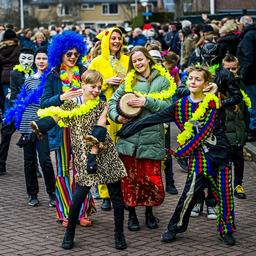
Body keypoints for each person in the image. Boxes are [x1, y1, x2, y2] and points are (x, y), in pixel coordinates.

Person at [117, 64, 236, 246]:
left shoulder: (213, 102)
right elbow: (153, 118)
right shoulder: (180, 105)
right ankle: (175, 227)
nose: (193, 81)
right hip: (199, 159)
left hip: (220, 156)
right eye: (190, 78)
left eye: (198, 79)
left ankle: (226, 229)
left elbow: (205, 131)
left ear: (206, 84)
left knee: (225, 194)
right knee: (189, 193)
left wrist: (180, 152)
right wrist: (128, 129)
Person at [31, 70, 127, 250]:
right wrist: (35, 131)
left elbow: (100, 128)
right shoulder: (71, 104)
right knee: (78, 197)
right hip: (83, 157)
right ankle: (69, 235)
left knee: (116, 195)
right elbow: (54, 117)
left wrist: (93, 154)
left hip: (104, 153)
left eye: (99, 87)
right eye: (93, 86)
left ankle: (119, 234)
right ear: (83, 85)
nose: (97, 90)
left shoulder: (102, 104)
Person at [108, 46, 176, 231]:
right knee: (129, 179)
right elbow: (113, 102)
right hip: (129, 138)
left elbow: (169, 107)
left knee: (149, 179)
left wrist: (146, 102)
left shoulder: (163, 81)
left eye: (141, 59)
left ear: (148, 59)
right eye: (134, 61)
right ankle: (131, 215)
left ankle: (149, 213)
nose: (138, 63)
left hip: (152, 137)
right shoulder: (128, 82)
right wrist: (117, 117)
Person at [40, 30, 95, 227]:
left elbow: (97, 94)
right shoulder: (54, 75)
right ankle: (64, 211)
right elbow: (44, 103)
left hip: (82, 128)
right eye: (68, 54)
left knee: (82, 169)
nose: (73, 57)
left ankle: (81, 211)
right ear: (60, 54)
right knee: (63, 170)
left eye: (75, 54)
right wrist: (62, 97)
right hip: (62, 129)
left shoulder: (85, 72)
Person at [6, 47, 56, 206]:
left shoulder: (52, 77)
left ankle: (52, 194)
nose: (41, 61)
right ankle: (32, 194)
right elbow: (23, 103)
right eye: (39, 58)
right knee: (29, 162)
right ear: (35, 61)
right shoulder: (28, 79)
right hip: (28, 124)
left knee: (45, 161)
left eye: (44, 58)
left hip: (44, 124)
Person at [89, 26, 129, 210]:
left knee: (123, 152)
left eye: (119, 38)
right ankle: (105, 194)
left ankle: (123, 191)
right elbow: (88, 85)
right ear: (106, 40)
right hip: (103, 113)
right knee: (104, 150)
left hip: (124, 112)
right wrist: (106, 83)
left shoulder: (128, 60)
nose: (116, 41)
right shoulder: (97, 61)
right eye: (113, 38)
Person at [0, 47, 34, 175]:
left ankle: (34, 167)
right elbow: (15, 93)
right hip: (17, 108)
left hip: (30, 109)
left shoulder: (33, 73)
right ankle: (1, 164)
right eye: (23, 58)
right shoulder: (15, 73)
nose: (26, 62)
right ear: (19, 59)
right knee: (6, 134)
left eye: (29, 59)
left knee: (32, 137)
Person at [222, 54, 250, 199]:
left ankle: (238, 184)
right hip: (224, 131)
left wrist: (245, 129)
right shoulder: (218, 85)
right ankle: (223, 186)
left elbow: (245, 109)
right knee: (223, 162)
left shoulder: (240, 83)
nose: (231, 72)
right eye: (228, 69)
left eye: (234, 68)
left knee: (239, 160)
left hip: (238, 130)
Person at [237, 15, 256, 141]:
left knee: (252, 104)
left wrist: (243, 74)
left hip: (251, 76)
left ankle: (253, 130)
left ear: (242, 24)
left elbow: (248, 57)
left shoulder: (248, 36)